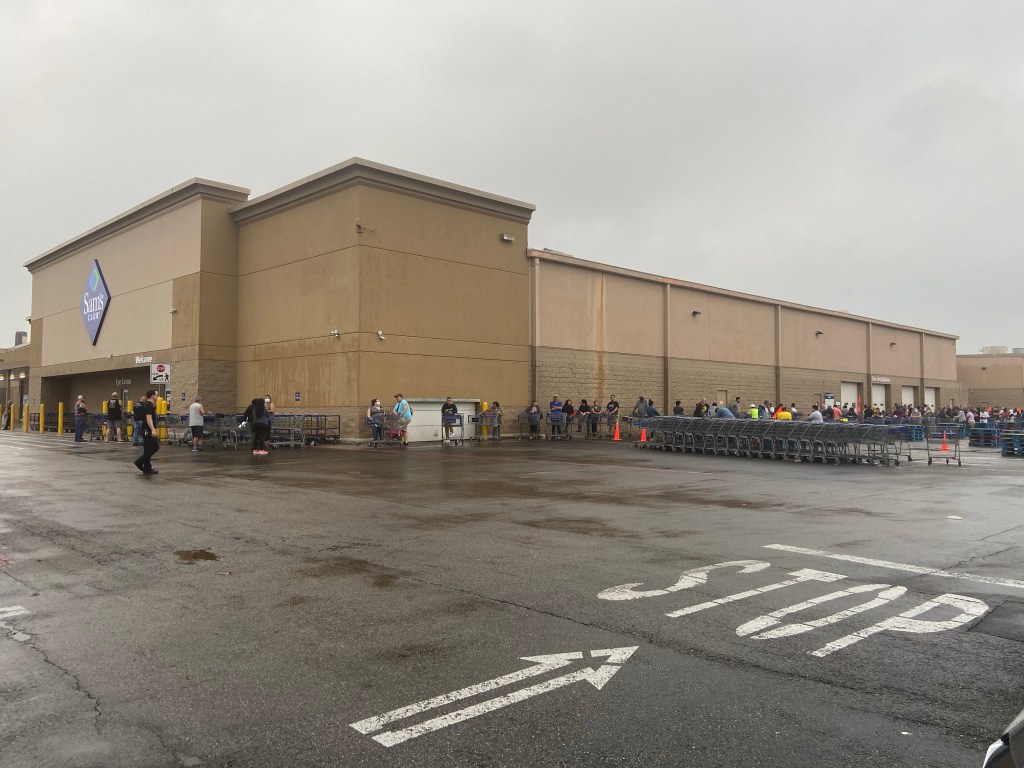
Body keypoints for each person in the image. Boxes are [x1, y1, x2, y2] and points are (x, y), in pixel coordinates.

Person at [133, 390, 160, 474]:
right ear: (152, 396)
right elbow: (148, 418)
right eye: (156, 395)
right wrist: (152, 429)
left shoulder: (150, 405)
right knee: (148, 449)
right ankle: (146, 468)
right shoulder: (148, 405)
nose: (158, 396)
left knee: (155, 447)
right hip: (147, 430)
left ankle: (140, 462)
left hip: (147, 429)